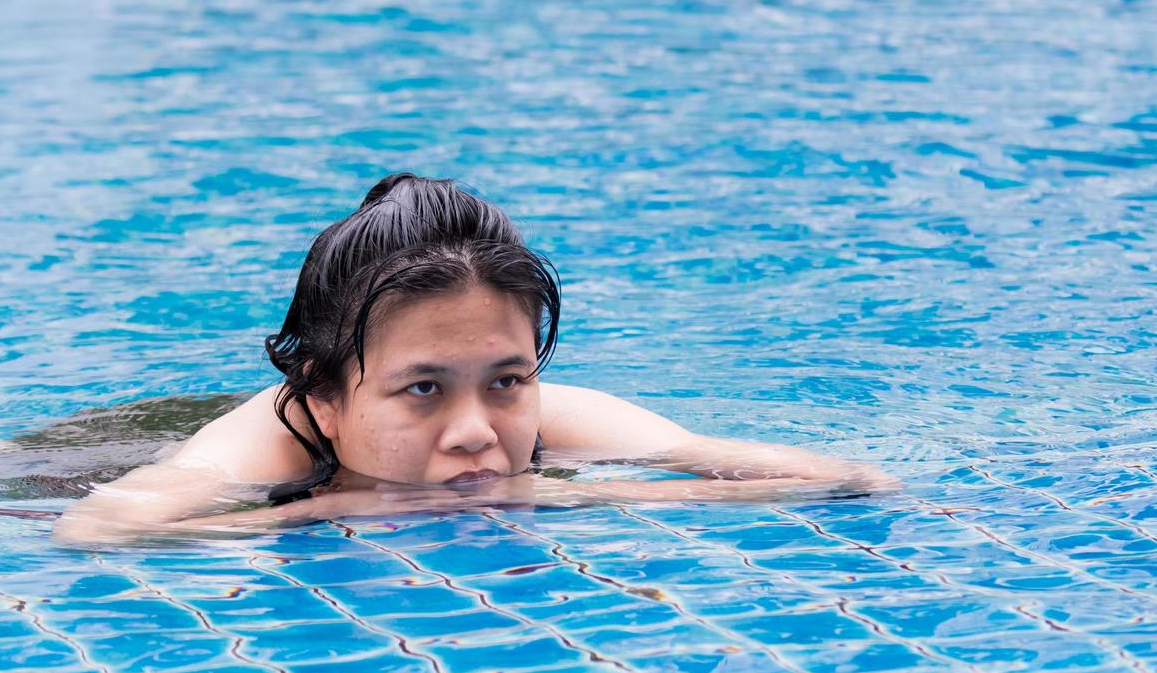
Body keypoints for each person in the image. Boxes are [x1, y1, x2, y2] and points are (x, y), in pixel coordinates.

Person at [54, 174, 897, 542]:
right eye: (423, 389)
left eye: (507, 381)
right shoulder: (261, 447)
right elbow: (95, 528)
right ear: (323, 397)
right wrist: (331, 511)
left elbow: (841, 478)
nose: (473, 430)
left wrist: (611, 491)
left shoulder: (554, 415)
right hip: (82, 457)